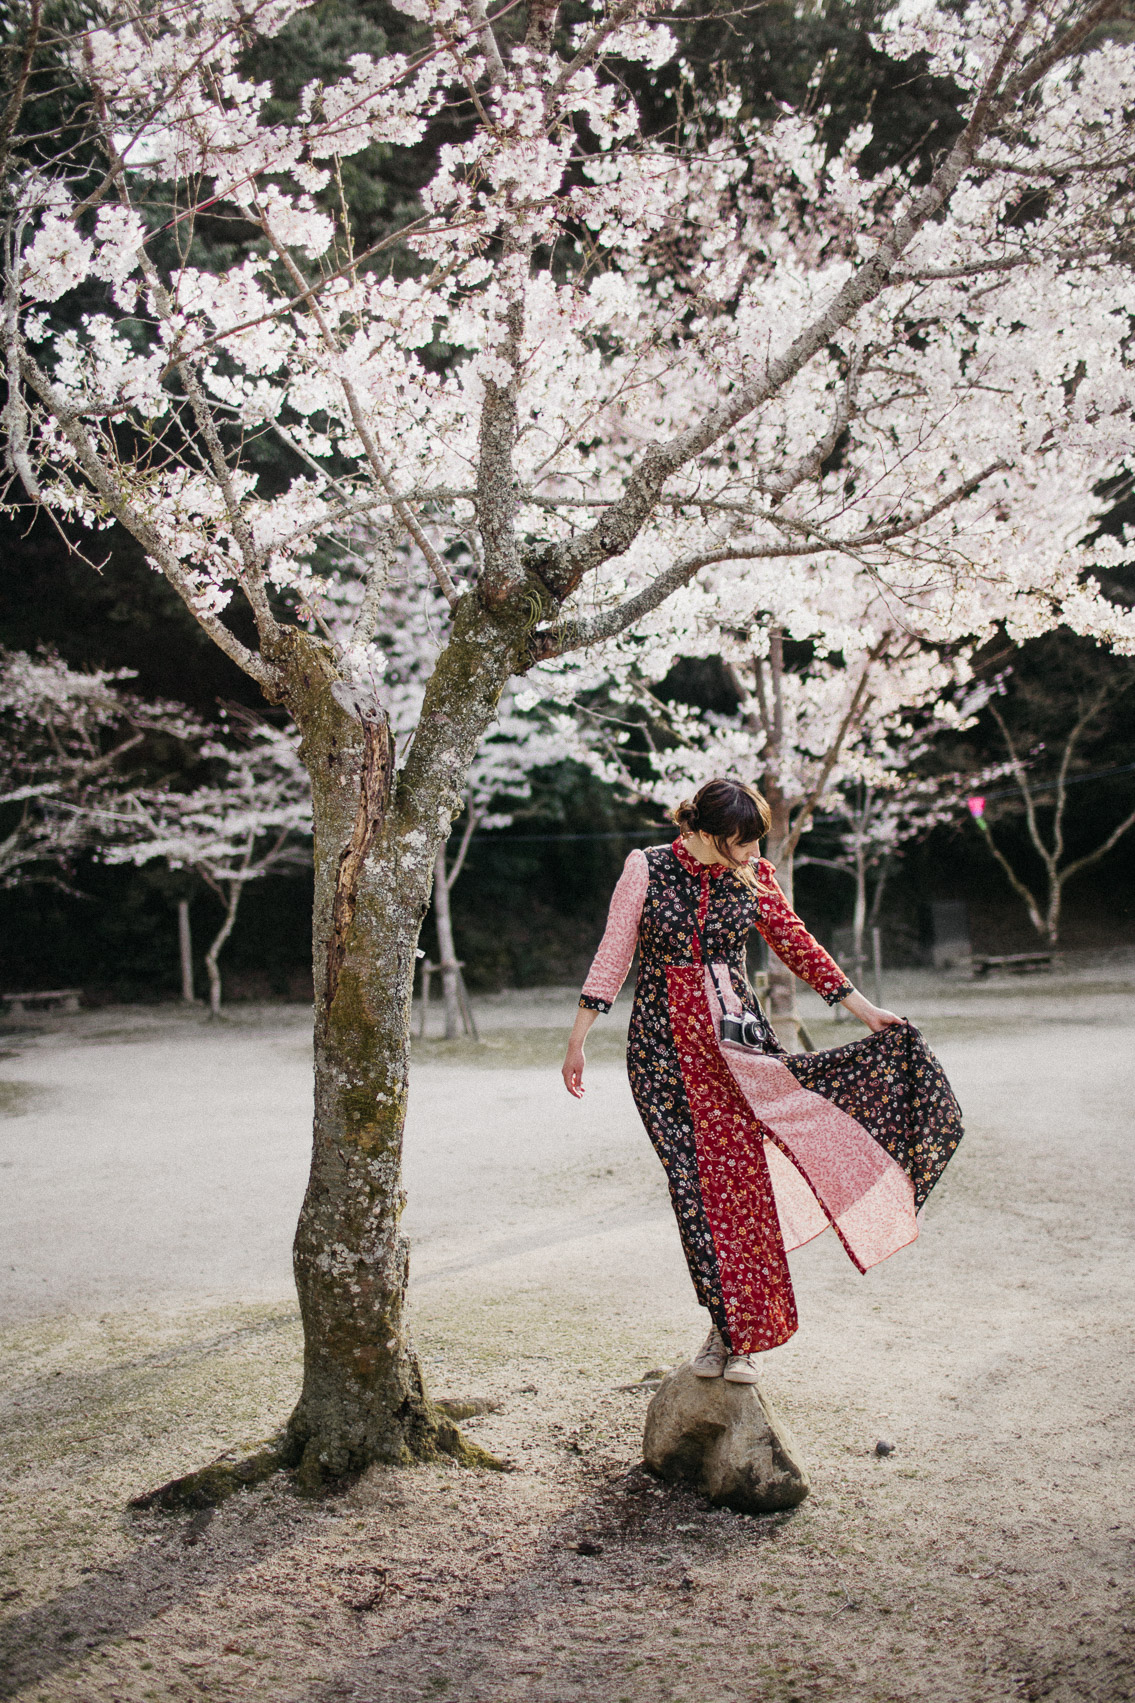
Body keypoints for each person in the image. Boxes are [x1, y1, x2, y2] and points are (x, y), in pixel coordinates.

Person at [561, 777, 963, 1384]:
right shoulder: (644, 868)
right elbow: (614, 951)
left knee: (741, 1190)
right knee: (694, 1193)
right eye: (739, 841)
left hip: (736, 1050)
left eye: (754, 841)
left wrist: (865, 1009)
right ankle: (722, 1327)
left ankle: (738, 1340)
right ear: (701, 830)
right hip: (660, 1056)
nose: (751, 853)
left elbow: (797, 944)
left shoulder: (752, 875)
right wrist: (578, 1037)